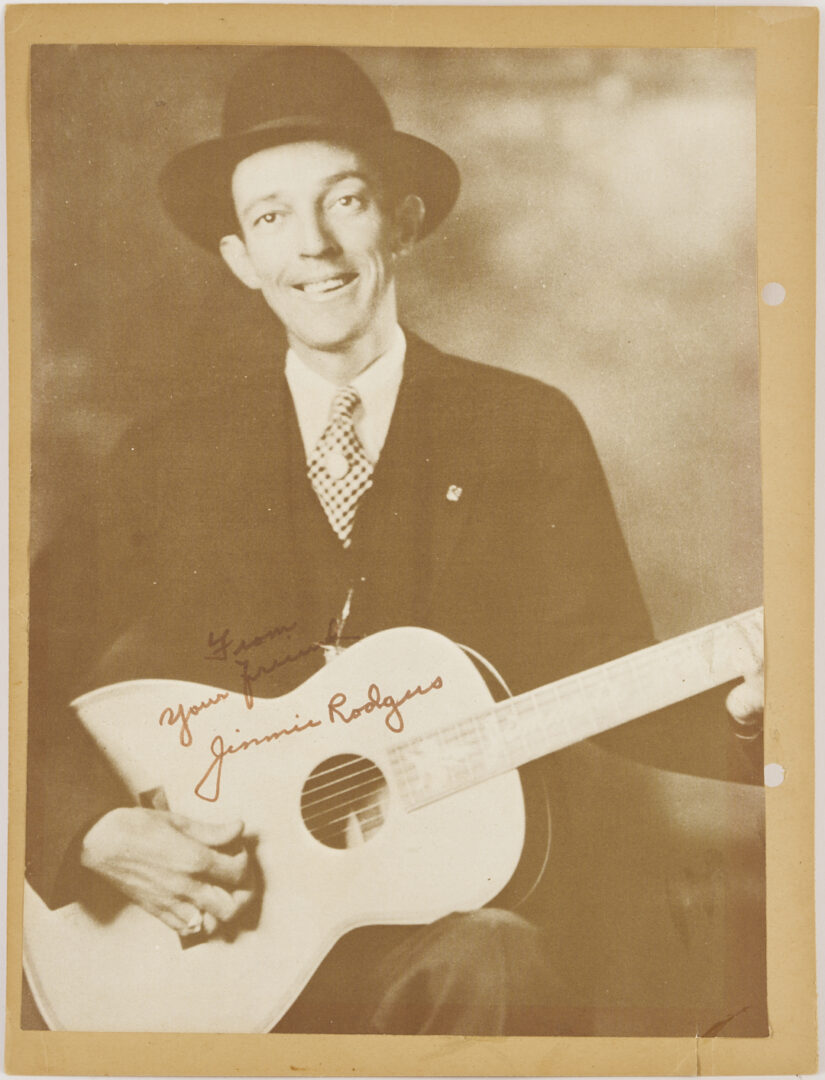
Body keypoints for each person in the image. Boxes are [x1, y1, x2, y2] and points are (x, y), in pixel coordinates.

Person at [25, 47, 765, 1035]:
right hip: (214, 944)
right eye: (273, 216)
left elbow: (607, 679)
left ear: (404, 218)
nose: (316, 247)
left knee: (498, 961)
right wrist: (92, 831)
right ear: (241, 257)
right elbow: (15, 664)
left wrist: (756, 716)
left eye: (347, 200)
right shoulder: (170, 458)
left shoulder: (523, 427)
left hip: (448, 921)